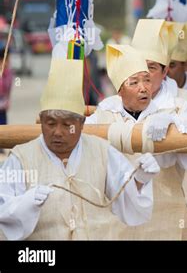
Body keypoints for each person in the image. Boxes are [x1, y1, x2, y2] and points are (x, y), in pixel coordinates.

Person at [0, 58, 159, 240]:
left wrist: (139, 180)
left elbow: (126, 201)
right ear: (41, 121)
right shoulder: (21, 158)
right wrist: (25, 203)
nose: (58, 132)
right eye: (50, 123)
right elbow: (3, 211)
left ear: (82, 123)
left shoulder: (102, 151)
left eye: (67, 125)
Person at [88, 21, 187, 240]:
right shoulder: (106, 111)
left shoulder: (181, 106)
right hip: (117, 218)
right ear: (120, 89)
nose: (143, 85)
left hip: (165, 214)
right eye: (135, 79)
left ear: (165, 71)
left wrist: (174, 124)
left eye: (149, 75)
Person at [0, 41, 13, 125]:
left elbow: (9, 88)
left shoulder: (8, 72)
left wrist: (8, 100)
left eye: (7, 59)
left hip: (2, 109)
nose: (7, 62)